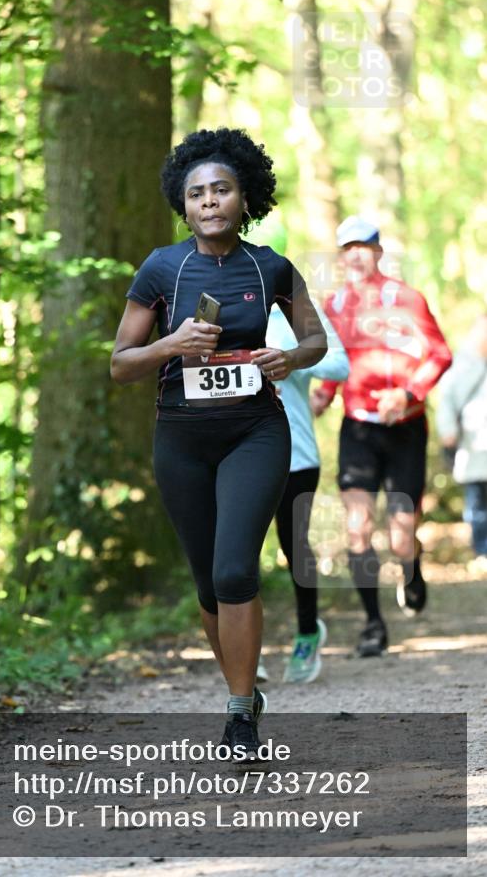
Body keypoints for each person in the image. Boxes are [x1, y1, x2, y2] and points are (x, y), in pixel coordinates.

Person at [110, 128, 327, 757]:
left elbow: (316, 341)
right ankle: (245, 691)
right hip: (181, 438)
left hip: (255, 432)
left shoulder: (271, 266)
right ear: (183, 206)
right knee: (208, 584)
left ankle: (239, 717)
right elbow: (121, 363)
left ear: (245, 198)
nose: (209, 201)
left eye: (222, 189)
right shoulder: (162, 267)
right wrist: (171, 344)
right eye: (197, 193)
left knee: (235, 570)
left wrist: (289, 357)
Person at [311, 216, 452, 657]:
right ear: (341, 257)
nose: (355, 255)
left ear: (378, 252)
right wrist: (323, 395)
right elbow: (335, 361)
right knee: (357, 529)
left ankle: (411, 566)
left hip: (405, 427)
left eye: (363, 246)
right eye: (347, 248)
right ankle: (373, 624)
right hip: (358, 429)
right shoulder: (334, 306)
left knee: (400, 538)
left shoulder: (408, 299)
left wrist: (408, 393)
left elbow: (440, 354)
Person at [266, 295, 349, 683]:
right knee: (238, 548)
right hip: (232, 453)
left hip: (295, 454)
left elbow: (340, 364)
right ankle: (245, 647)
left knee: (293, 544)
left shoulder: (294, 310)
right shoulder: (219, 306)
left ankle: (306, 632)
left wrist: (291, 359)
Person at [436, 314, 487, 558]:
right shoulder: (462, 364)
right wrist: (448, 432)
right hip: (472, 445)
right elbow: (447, 401)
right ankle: (482, 551)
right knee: (477, 502)